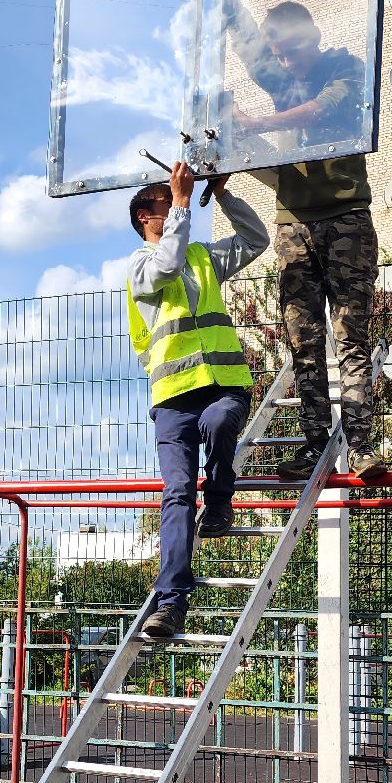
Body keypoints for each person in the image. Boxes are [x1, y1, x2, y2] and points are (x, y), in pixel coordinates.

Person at [228, 0, 390, 483]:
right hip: (292, 222)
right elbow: (242, 35)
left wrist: (255, 124)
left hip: (345, 219)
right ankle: (314, 444)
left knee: (350, 339)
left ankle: (360, 447)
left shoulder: (346, 66)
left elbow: (322, 111)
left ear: (312, 38)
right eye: (277, 55)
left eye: (291, 53)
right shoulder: (279, 71)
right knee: (303, 341)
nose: (284, 63)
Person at [125, 161, 269, 639]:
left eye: (176, 197)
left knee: (221, 422)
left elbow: (255, 240)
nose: (176, 200)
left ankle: (222, 499)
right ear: (148, 217)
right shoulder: (140, 266)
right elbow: (166, 263)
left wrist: (223, 196)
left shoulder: (203, 258)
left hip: (222, 385)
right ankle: (171, 601)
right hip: (172, 399)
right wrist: (183, 203)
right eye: (167, 200)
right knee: (177, 492)